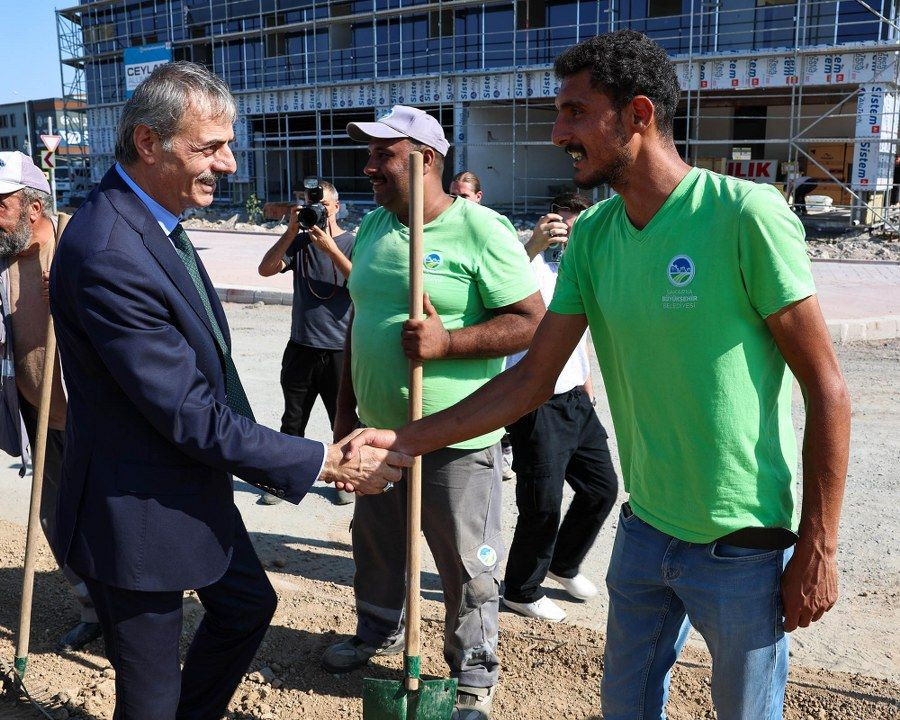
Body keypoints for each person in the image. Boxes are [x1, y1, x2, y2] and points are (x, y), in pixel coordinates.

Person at [347, 31, 851, 720]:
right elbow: (529, 382)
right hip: (644, 533)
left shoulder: (743, 215)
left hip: (742, 543)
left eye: (575, 113)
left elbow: (827, 389)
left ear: (638, 115)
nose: (559, 132)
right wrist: (404, 440)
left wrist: (817, 546)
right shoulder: (594, 235)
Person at [48, 62, 411, 720]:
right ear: (149, 144)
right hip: (137, 514)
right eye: (210, 147)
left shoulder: (150, 220)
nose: (232, 164)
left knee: (247, 607)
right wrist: (323, 460)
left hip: (188, 488)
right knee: (150, 698)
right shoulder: (110, 250)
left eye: (230, 143)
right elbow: (185, 410)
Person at [322, 105, 543, 720]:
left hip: (456, 436)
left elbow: (529, 325)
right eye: (368, 155)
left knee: (466, 561)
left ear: (424, 160)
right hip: (376, 429)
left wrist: (449, 344)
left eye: (381, 156)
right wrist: (344, 411)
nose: (368, 168)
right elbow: (357, 324)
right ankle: (378, 630)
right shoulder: (372, 230)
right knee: (377, 545)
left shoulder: (483, 230)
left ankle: (473, 668)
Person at [0, 151, 101, 652]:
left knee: (111, 521)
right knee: (55, 520)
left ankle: (133, 617)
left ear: (32, 208)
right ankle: (92, 609)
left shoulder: (79, 245)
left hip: (98, 419)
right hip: (39, 417)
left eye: (0, 205)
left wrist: (78, 293)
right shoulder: (3, 260)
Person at [501, 191, 618, 623]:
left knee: (601, 487)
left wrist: (587, 383)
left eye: (582, 222)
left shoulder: (580, 265)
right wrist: (533, 245)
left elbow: (579, 331)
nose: (573, 231)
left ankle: (563, 563)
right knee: (542, 502)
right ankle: (521, 588)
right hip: (535, 399)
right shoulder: (527, 262)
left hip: (574, 397)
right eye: (567, 223)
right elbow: (499, 285)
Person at [258, 179, 355, 505]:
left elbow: (360, 284)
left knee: (342, 421)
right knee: (292, 419)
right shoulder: (299, 244)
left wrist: (331, 249)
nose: (319, 210)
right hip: (301, 346)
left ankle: (343, 481)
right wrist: (290, 233)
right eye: (315, 205)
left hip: (340, 349)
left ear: (337, 207)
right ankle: (283, 482)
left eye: (324, 205)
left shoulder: (353, 242)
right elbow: (265, 270)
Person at [446, 169, 516, 482]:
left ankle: (502, 448)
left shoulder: (493, 230)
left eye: (462, 196)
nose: (456, 201)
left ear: (478, 197)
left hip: (487, 342)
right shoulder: (445, 230)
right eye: (452, 194)